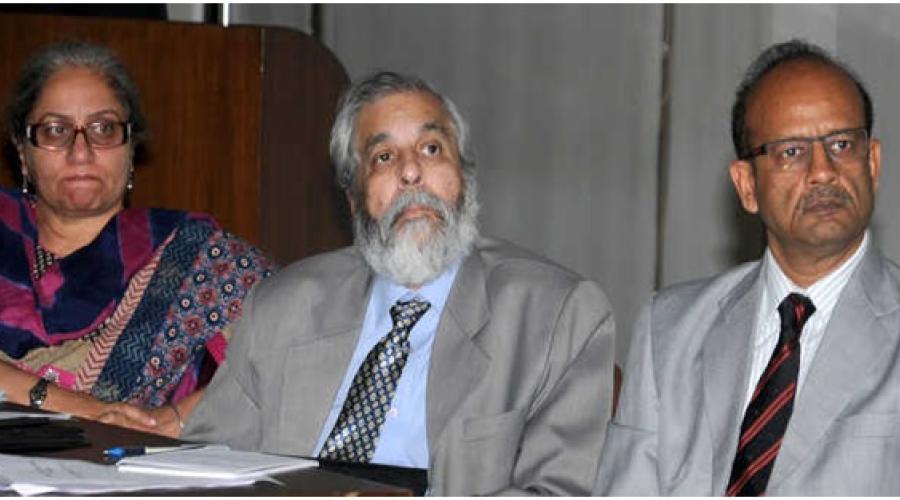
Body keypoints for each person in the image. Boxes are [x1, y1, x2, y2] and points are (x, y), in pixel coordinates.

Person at [183, 71, 615, 495]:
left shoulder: (555, 314)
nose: (411, 172)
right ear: (353, 199)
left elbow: (559, 490)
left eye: (431, 148)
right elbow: (201, 468)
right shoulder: (281, 306)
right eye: (384, 157)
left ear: (464, 178)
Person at [595, 39, 898, 495]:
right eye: (791, 152)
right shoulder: (670, 331)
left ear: (872, 164)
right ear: (747, 185)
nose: (823, 171)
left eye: (841, 144)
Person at [0, 41, 273, 437]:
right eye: (56, 130)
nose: (81, 151)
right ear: (23, 153)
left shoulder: (199, 257)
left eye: (104, 129)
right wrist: (86, 410)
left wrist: (173, 420)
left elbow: (293, 350)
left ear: (131, 150)